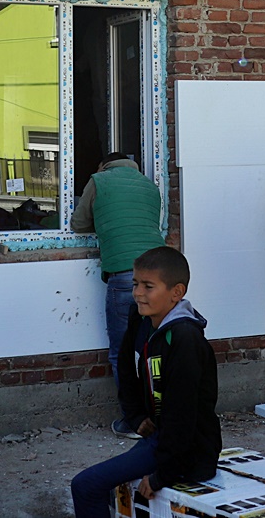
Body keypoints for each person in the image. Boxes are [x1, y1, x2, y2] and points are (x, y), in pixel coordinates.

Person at [70, 246, 221, 517]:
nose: (138, 293)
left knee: (85, 486)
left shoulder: (185, 339)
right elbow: (126, 367)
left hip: (190, 451)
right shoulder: (142, 320)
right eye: (135, 284)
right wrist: (136, 416)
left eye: (148, 286)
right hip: (161, 440)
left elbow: (184, 415)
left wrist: (162, 476)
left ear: (176, 292)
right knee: (106, 489)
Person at [70, 151, 163, 436]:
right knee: (157, 351)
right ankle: (163, 418)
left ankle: (135, 422)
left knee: (123, 353)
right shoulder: (150, 185)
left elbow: (78, 224)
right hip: (160, 274)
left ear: (104, 166)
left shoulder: (99, 180)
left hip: (125, 275)